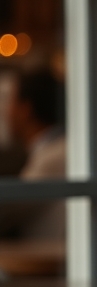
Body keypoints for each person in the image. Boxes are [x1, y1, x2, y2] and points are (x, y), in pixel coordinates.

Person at [0, 67, 66, 239]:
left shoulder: (53, 157)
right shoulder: (50, 151)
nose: (6, 113)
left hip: (46, 263)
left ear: (25, 109)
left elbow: (8, 208)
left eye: (10, 102)